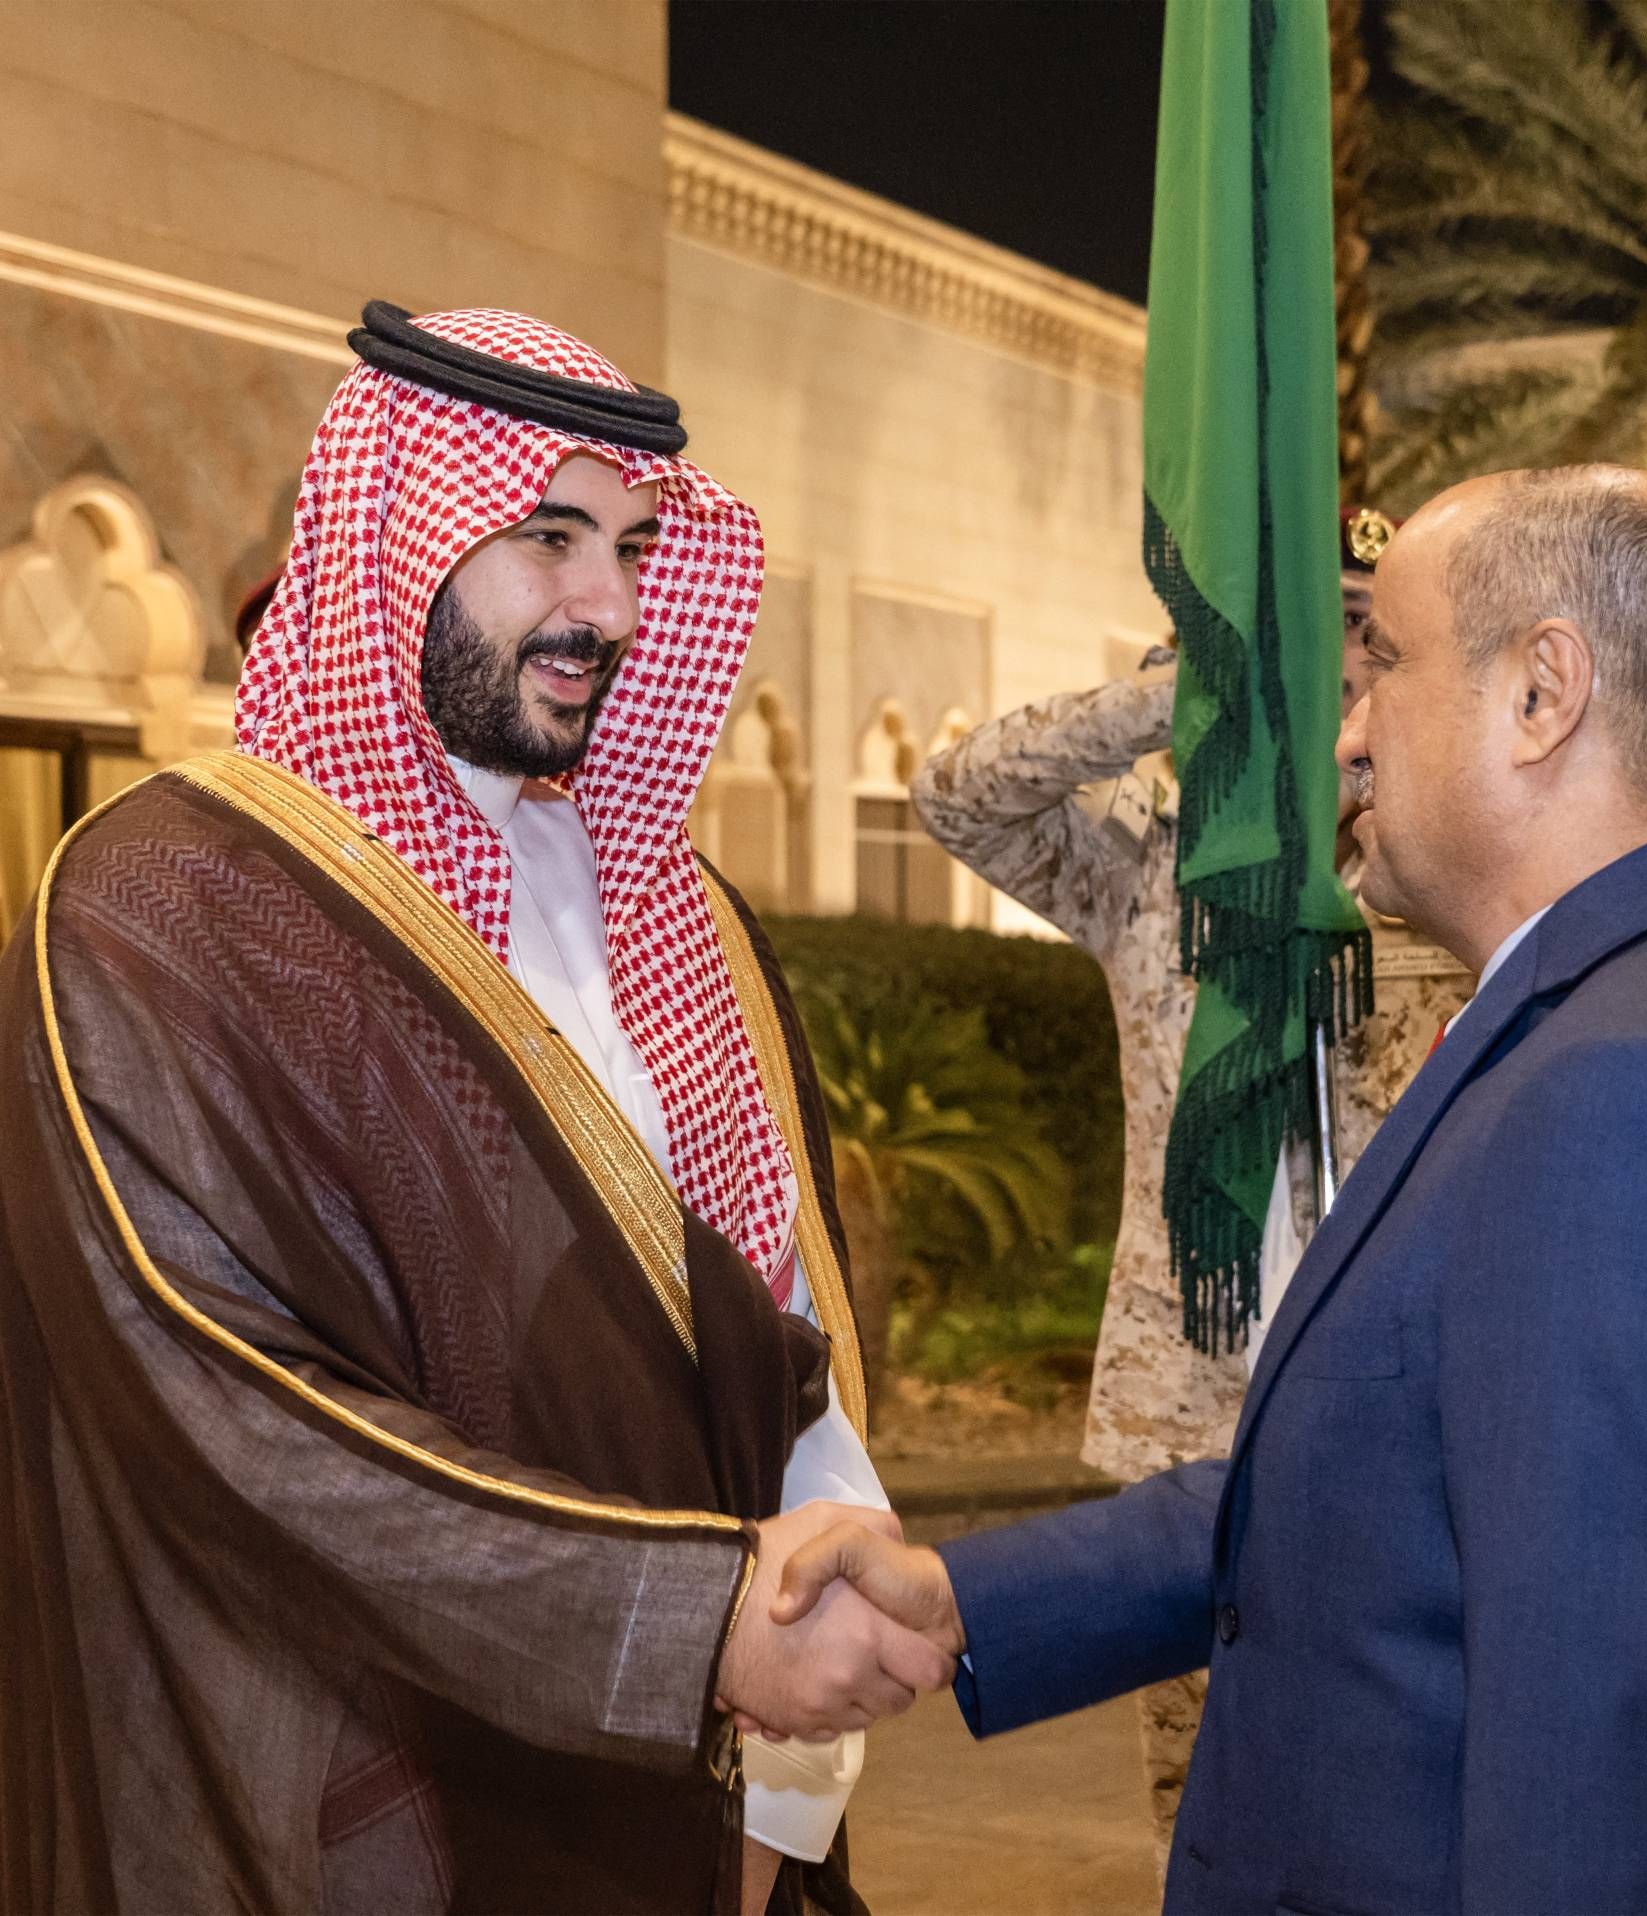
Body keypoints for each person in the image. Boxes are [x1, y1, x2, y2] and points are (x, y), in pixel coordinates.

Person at [775, 465, 1647, 1913]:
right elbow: (1366, 1486)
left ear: (1541, 693)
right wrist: (968, 1599)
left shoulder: (1631, 1096)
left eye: (1389, 664)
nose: (1351, 730)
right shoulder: (1628, 1011)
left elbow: (1607, 1801)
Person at [0, 302, 950, 1916]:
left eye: (635, 549)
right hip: (368, 1806)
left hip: (710, 1799)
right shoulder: (156, 913)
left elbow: (766, 1325)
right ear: (398, 533)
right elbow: (232, 1410)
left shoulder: (676, 908)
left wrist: (808, 1706)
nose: (610, 607)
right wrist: (689, 1628)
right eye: (548, 536)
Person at [906, 517, 1399, 1870]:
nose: (1334, 661)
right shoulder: (1148, 876)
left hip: (1388, 1410)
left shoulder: (1440, 882)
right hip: (1191, 1409)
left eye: (1364, 628)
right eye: (1304, 627)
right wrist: (1171, 702)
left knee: (1383, 1794)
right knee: (1204, 1805)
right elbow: (955, 796)